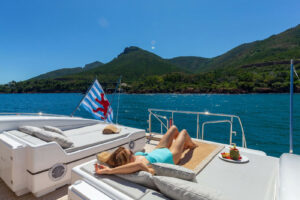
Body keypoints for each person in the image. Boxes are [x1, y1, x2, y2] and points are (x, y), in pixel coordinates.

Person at [95, 125, 198, 175]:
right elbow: (138, 165)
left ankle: (182, 146)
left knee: (173, 128)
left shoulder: (134, 159)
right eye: (130, 153)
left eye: (130, 151)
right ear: (127, 161)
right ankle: (192, 146)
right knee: (183, 132)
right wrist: (110, 171)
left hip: (158, 150)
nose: (132, 152)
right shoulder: (137, 165)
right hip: (171, 156)